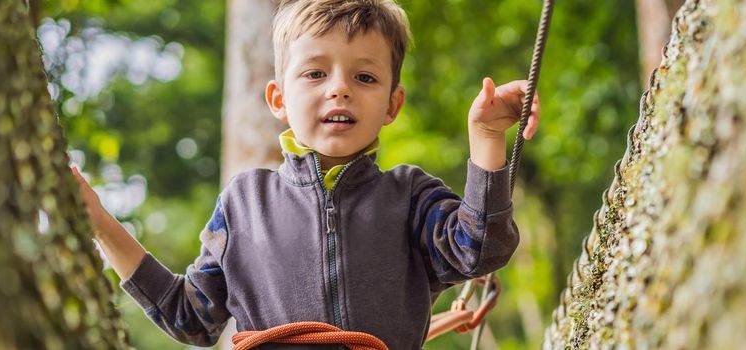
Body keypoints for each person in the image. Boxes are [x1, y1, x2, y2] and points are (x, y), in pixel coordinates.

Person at [73, 0, 540, 348]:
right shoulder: (243, 204)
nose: (339, 88)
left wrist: (486, 137)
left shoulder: (411, 196)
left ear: (392, 105)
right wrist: (101, 225)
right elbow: (189, 316)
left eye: (365, 78)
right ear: (278, 99)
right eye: (316, 74)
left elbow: (480, 250)